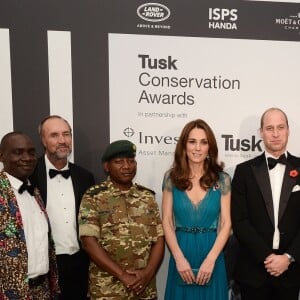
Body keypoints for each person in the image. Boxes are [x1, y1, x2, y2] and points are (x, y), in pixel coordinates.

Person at [78, 140, 165, 300]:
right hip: (108, 290)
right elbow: (89, 242)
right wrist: (123, 275)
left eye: (130, 161)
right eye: (119, 162)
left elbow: (159, 239)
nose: (126, 166)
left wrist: (148, 273)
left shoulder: (147, 197)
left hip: (144, 289)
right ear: (106, 166)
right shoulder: (93, 197)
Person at [231, 107, 300, 300]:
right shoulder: (243, 172)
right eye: (269, 128)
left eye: (280, 127)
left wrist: (288, 258)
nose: (276, 134)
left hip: (291, 273)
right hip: (253, 272)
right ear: (261, 132)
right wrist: (267, 257)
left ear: (288, 130)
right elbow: (240, 221)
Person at [162, 119, 231, 300]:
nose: (197, 148)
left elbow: (226, 223)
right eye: (192, 141)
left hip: (212, 253)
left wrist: (211, 260)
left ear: (210, 147)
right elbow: (167, 222)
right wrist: (178, 258)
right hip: (181, 252)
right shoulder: (171, 178)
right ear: (184, 146)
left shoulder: (222, 179)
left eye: (204, 142)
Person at [30, 115, 95, 300]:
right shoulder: (29, 174)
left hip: (78, 264)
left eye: (66, 134)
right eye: (54, 135)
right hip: (44, 266)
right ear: (43, 140)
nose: (62, 140)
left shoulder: (85, 177)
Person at [0, 132, 58, 299]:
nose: (27, 158)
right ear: (2, 156)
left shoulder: (34, 192)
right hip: (9, 293)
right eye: (18, 152)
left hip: (42, 290)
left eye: (31, 152)